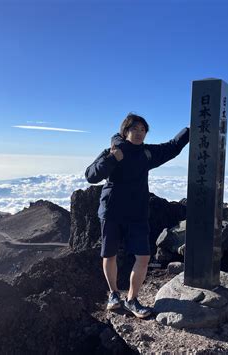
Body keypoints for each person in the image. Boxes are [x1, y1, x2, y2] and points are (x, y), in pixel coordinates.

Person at [85, 113, 189, 318]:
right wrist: (111, 159)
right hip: (112, 211)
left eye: (143, 130)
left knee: (143, 256)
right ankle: (114, 294)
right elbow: (91, 175)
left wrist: (191, 129)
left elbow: (172, 147)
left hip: (137, 213)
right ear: (125, 131)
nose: (139, 133)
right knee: (109, 254)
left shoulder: (147, 153)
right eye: (135, 129)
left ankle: (132, 299)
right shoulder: (113, 151)